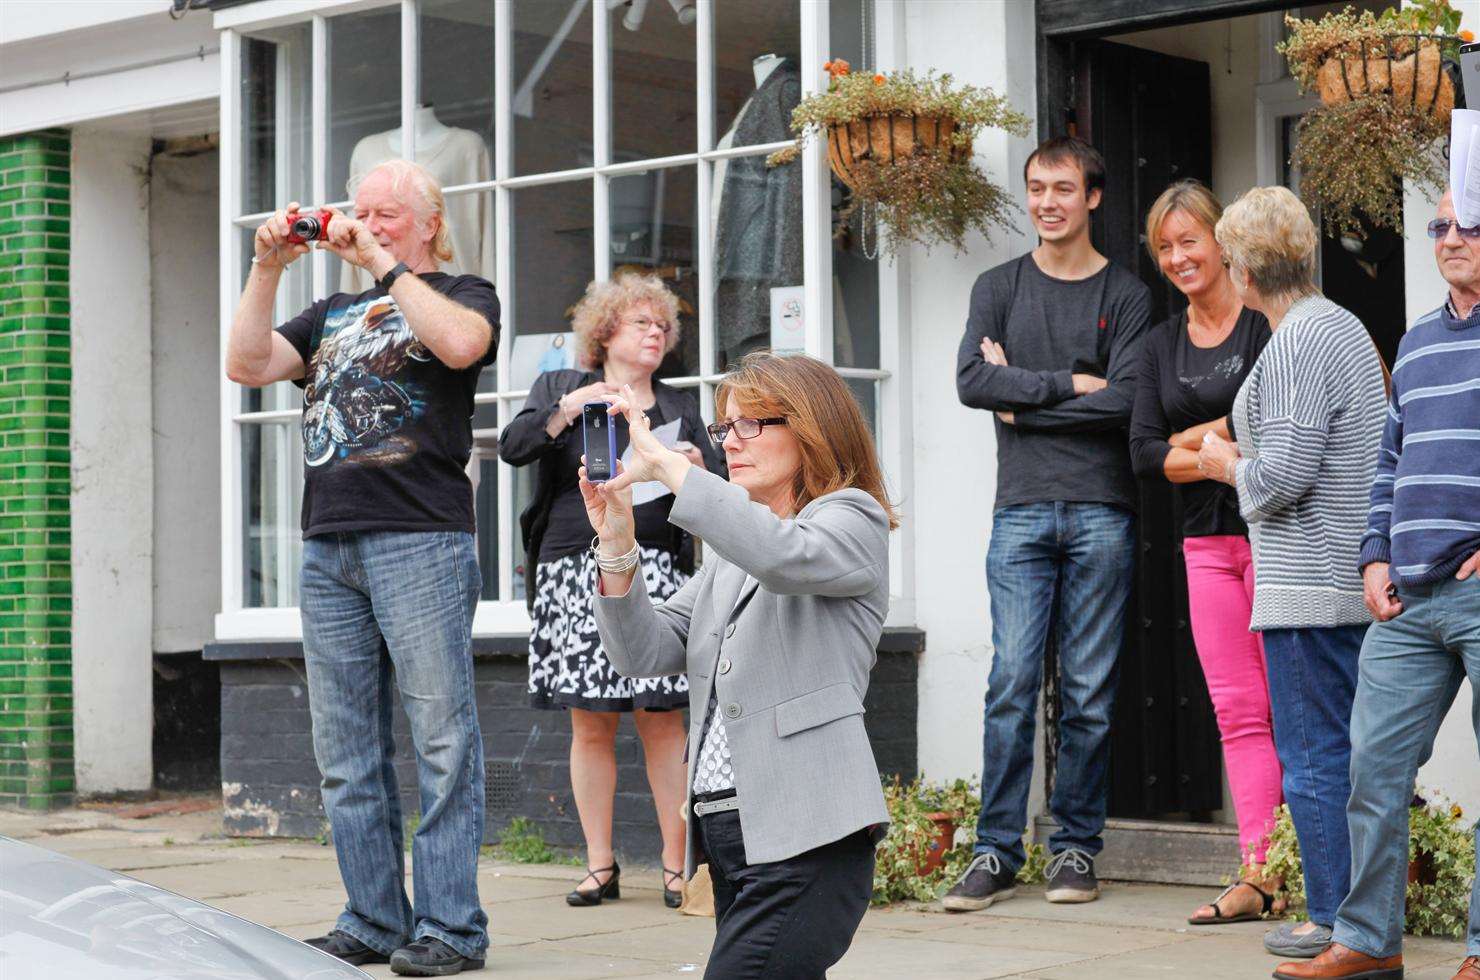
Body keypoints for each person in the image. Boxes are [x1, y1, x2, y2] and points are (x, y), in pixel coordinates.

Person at [224, 159, 498, 978]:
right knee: (345, 749)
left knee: (442, 741)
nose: (367, 223)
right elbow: (246, 363)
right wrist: (266, 265)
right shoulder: (331, 311)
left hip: (420, 539)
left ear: (426, 224)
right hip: (329, 542)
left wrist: (383, 265)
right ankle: (375, 919)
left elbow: (460, 346)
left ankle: (451, 929)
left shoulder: (462, 290)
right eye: (360, 211)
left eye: (386, 213)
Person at [585, 353, 897, 979]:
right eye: (726, 427)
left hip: (810, 834)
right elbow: (644, 651)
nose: (731, 441)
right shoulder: (733, 551)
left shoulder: (851, 517)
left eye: (752, 424)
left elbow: (782, 554)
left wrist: (666, 464)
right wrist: (617, 542)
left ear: (811, 427)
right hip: (729, 831)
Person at [1272, 192, 1480, 980]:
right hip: (1409, 595)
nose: (1451, 238)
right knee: (1371, 766)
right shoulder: (1419, 340)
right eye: (1439, 227)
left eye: (1469, 224)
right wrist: (1372, 555)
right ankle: (1368, 940)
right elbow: (1389, 463)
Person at [946, 136, 1151, 912]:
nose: (1047, 203)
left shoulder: (1127, 296)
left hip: (1102, 511)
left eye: (1063, 189)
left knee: (1090, 692)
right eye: (1036, 189)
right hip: (1021, 511)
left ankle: (1073, 850)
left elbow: (1127, 401)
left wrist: (1022, 406)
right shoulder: (998, 286)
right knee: (1011, 684)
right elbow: (971, 380)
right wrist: (1068, 382)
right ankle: (995, 852)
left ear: (1093, 197)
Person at [1195, 186, 1388, 963]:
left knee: (1314, 761)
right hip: (1338, 581)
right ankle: (1357, 922)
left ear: (1241, 272)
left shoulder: (1302, 340)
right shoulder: (1338, 327)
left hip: (1311, 588)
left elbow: (1285, 476)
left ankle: (1337, 923)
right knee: (1341, 759)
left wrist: (1225, 462)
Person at [498, 272, 723, 909]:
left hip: (660, 572)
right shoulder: (560, 388)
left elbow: (724, 491)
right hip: (575, 568)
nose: (655, 334)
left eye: (662, 326)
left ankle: (676, 867)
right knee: (590, 723)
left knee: (663, 721)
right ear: (606, 333)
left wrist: (698, 473)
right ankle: (600, 865)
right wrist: (570, 409)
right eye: (640, 324)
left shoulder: (679, 410)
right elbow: (513, 446)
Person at [1127, 180, 1281, 925]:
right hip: (1206, 545)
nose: (1180, 256)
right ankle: (1259, 873)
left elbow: (1274, 426)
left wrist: (1196, 436)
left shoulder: (1265, 325)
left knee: (1299, 704)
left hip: (1276, 536)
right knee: (1239, 711)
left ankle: (1317, 866)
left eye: (1190, 239)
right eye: (1166, 246)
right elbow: (1144, 454)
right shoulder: (1160, 344)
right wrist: (1211, 445)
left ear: (1222, 242)